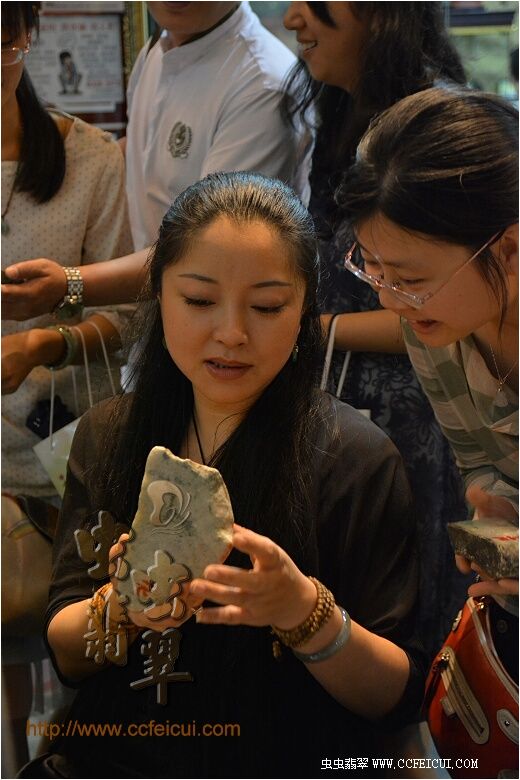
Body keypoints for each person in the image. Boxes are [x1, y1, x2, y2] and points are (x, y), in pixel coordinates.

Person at [25, 172, 426, 779]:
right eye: (199, 300)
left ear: (304, 311)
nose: (232, 333)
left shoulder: (356, 458)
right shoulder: (107, 435)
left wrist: (303, 612)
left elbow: (394, 697)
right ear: (159, 295)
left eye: (266, 307)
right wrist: (124, 604)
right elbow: (68, 654)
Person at [282, 1, 470, 656]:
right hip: (351, 401)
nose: (293, 18)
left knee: (410, 618)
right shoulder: (344, 112)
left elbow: (446, 308)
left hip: (422, 413)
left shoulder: (433, 124)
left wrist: (319, 329)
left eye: (315, 2)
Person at [336, 86, 517, 673]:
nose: (390, 299)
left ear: (509, 250)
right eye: (372, 267)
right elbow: (477, 458)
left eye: (410, 279)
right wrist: (497, 509)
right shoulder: (435, 328)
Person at [1, 2, 133, 773]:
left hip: (64, 452)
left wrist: (46, 340)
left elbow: (135, 316)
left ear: (26, 34)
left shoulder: (89, 160)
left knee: (82, 643)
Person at [2, 1, 312, 317]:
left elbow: (213, 247)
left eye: (5, 45)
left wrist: (69, 283)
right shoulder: (157, 51)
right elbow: (145, 157)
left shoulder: (261, 84)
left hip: (216, 325)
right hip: (157, 319)